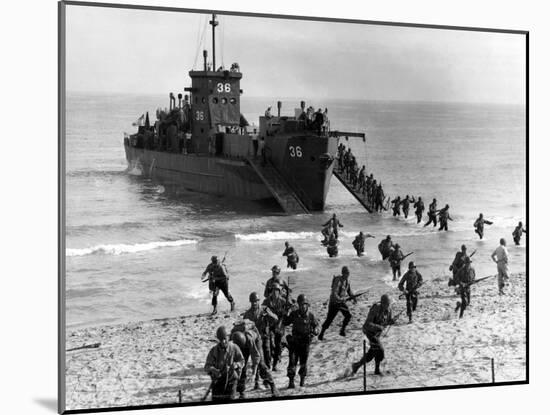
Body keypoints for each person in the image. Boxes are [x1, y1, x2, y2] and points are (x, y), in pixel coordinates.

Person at [230, 321, 279, 398]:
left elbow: (256, 357)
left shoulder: (249, 339)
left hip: (256, 341)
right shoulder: (233, 334)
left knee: (261, 364)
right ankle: (241, 392)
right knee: (242, 366)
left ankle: (272, 385)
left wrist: (253, 373)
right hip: (242, 344)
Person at [351, 294, 395, 375]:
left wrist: (391, 321)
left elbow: (387, 321)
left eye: (389, 304)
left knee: (373, 353)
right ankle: (369, 368)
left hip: (377, 333)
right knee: (380, 350)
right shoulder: (376, 308)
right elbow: (368, 324)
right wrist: (379, 327)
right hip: (369, 332)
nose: (388, 306)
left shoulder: (389, 309)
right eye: (387, 304)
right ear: (382, 303)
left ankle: (358, 366)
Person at [243, 292, 278, 389]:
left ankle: (266, 380)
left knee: (267, 358)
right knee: (258, 360)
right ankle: (257, 382)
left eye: (256, 301)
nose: (254, 303)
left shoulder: (264, 310)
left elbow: (275, 319)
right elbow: (245, 328)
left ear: (259, 301)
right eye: (253, 301)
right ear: (250, 302)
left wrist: (268, 315)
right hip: (255, 340)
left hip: (265, 337)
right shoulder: (247, 314)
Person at [283, 294, 319, 388]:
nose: (303, 306)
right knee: (292, 362)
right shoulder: (294, 314)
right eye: (301, 304)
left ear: (307, 305)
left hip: (305, 342)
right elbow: (285, 322)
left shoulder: (311, 315)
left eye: (304, 304)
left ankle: (302, 380)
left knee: (303, 362)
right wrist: (286, 311)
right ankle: (291, 381)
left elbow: (316, 326)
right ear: (298, 305)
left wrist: (315, 331)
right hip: (295, 342)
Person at [204, 326, 244, 401]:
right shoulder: (214, 350)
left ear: (228, 337)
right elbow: (206, 366)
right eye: (221, 339)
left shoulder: (234, 348)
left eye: (225, 339)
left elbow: (242, 361)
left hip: (231, 380)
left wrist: (236, 365)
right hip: (218, 381)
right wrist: (213, 370)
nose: (223, 342)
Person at [318, 266, 355, 340]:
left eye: (348, 273)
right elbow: (334, 293)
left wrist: (354, 297)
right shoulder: (338, 280)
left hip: (341, 303)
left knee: (348, 316)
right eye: (346, 273)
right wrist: (341, 299)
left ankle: (342, 330)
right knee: (329, 319)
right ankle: (321, 334)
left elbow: (349, 291)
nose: (347, 275)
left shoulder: (347, 281)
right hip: (334, 303)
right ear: (342, 273)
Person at [262, 283, 290, 370]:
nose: (275, 293)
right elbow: (262, 309)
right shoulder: (267, 301)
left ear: (279, 292)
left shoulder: (283, 301)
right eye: (274, 291)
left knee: (278, 344)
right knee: (269, 345)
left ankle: (275, 364)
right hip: (269, 324)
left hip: (279, 324)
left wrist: (288, 310)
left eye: (277, 291)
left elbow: (291, 308)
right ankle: (269, 362)